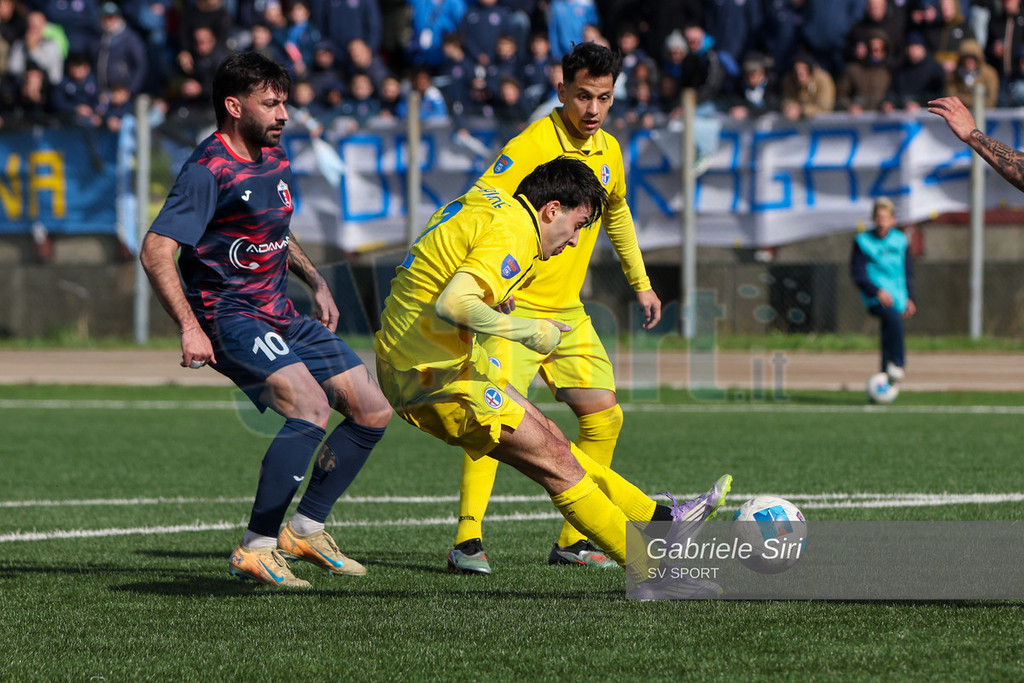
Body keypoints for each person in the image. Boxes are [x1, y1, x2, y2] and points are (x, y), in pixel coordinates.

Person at [374, 155, 732, 595]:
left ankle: (659, 520)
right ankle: (653, 575)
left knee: (554, 440)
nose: (576, 240)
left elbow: (446, 262)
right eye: (577, 225)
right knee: (557, 464)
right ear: (551, 209)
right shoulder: (514, 230)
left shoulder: (489, 201)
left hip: (433, 361)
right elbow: (453, 303)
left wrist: (492, 294)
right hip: (431, 377)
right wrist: (528, 330)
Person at [140, 52, 392, 589]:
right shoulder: (208, 170)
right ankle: (256, 547)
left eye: (284, 102)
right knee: (310, 407)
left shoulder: (274, 157)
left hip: (280, 311)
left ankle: (305, 530)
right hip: (228, 316)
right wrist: (189, 326)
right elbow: (156, 249)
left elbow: (276, 230)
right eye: (271, 103)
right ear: (234, 107)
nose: (284, 114)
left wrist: (315, 280)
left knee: (372, 410)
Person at [444, 42, 667, 575]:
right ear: (561, 89)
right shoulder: (531, 144)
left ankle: (574, 541)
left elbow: (617, 214)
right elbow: (480, 201)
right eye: (583, 96)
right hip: (515, 311)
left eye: (604, 98)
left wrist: (641, 283)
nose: (593, 109)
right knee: (493, 418)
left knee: (604, 415)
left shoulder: (610, 151)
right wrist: (490, 279)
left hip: (568, 312)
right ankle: (467, 540)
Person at [849, 197, 916, 384]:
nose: (881, 222)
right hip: (876, 297)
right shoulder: (863, 241)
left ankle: (886, 375)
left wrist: (909, 297)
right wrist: (876, 291)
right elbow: (857, 274)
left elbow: (907, 271)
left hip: (898, 296)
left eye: (885, 218)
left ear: (892, 220)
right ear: (873, 219)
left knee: (889, 329)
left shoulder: (900, 240)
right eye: (878, 217)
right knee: (892, 318)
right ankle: (898, 362)